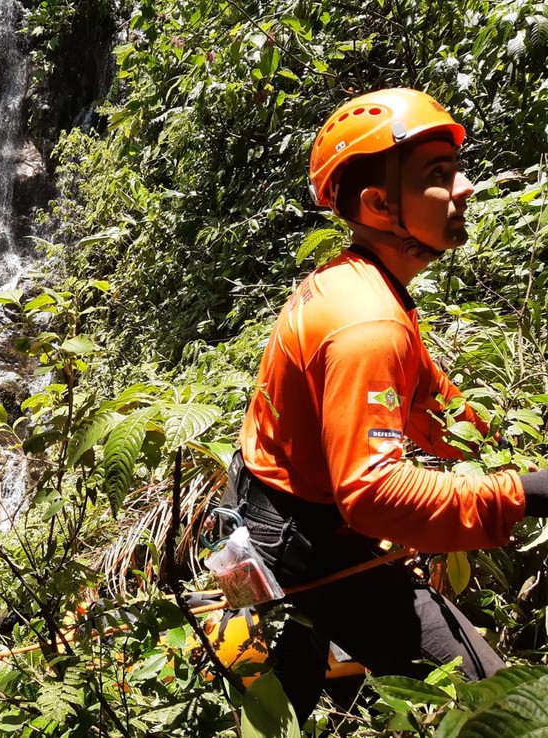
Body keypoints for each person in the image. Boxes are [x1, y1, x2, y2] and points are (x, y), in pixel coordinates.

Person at [230, 87, 548, 720]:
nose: (465, 187)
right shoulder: (368, 323)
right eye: (439, 174)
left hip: (276, 505)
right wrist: (523, 493)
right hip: (305, 538)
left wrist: (501, 447)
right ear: (379, 204)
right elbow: (374, 494)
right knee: (497, 706)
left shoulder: (359, 279)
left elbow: (430, 398)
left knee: (293, 690)